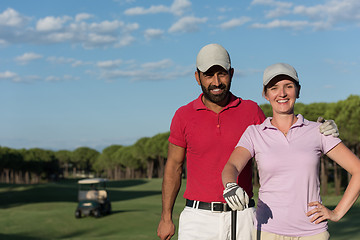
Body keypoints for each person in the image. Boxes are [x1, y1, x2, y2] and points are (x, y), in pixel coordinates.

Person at [156, 44, 339, 240]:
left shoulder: (251, 111)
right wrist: (166, 217)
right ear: (197, 77)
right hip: (198, 217)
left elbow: (283, 134)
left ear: (232, 73)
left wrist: (318, 129)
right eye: (209, 75)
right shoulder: (183, 115)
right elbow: (173, 167)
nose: (216, 81)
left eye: (222, 74)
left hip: (243, 216)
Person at [222, 63, 360, 240]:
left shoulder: (319, 131)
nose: (282, 93)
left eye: (289, 86)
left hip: (312, 233)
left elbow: (357, 170)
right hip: (267, 231)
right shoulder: (254, 133)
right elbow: (232, 165)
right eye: (274, 88)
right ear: (265, 94)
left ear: (298, 90)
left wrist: (337, 212)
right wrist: (230, 185)